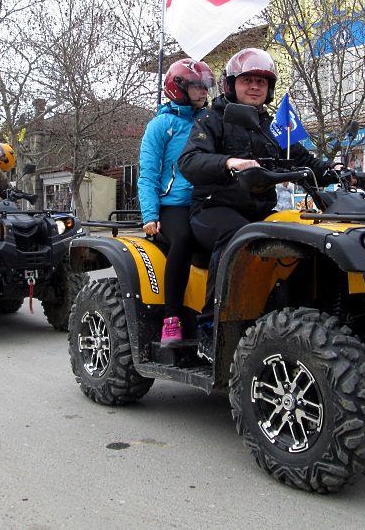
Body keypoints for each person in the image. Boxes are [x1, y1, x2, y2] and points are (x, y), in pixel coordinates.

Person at [178, 48, 339, 362]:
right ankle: (211, 326)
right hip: (213, 209)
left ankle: (291, 317)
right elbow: (189, 160)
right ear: (231, 84)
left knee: (301, 234)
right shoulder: (214, 118)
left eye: (261, 82)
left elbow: (302, 158)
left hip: (259, 211)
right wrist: (230, 162)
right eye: (248, 80)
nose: (254, 87)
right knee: (237, 236)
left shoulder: (274, 125)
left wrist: (336, 172)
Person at [138, 58, 214, 344]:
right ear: (177, 88)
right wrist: (150, 215)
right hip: (173, 205)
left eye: (206, 87)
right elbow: (147, 174)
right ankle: (172, 318)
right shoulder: (161, 125)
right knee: (183, 237)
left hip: (204, 201)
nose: (203, 93)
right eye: (197, 87)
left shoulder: (208, 121)